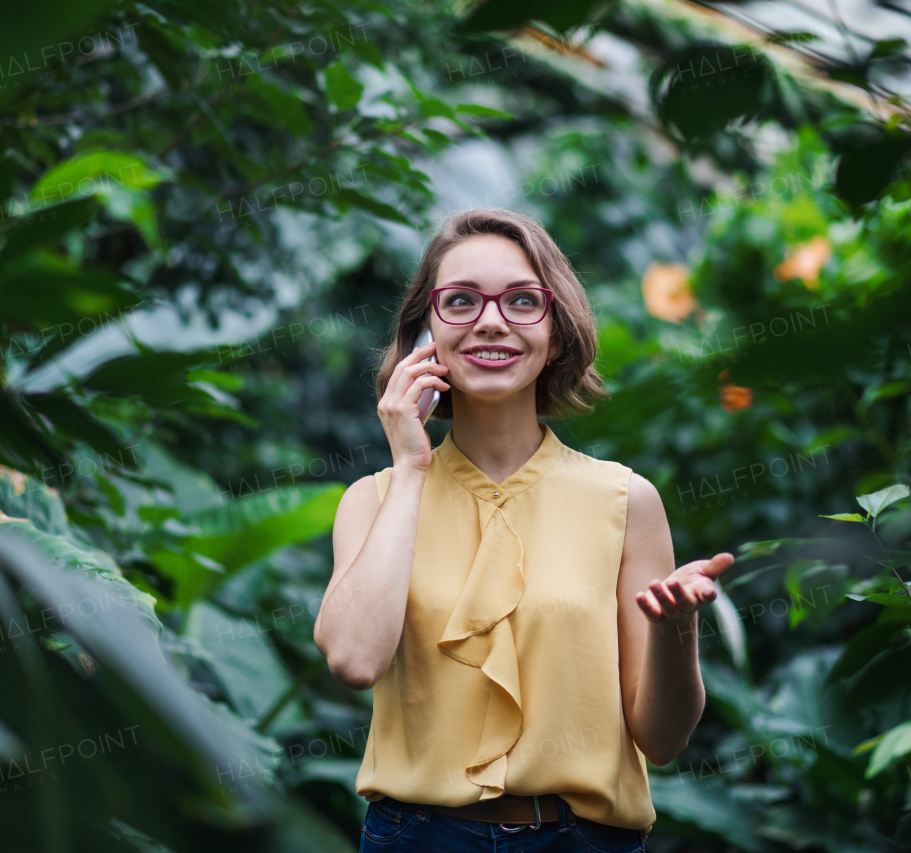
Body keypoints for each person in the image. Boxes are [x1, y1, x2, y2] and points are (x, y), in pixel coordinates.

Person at [313, 208, 733, 852]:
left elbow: (664, 739)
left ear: (558, 333)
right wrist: (411, 467)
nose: (490, 320)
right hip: (418, 838)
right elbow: (352, 658)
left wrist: (677, 628)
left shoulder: (625, 500)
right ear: (425, 336)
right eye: (460, 301)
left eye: (521, 301)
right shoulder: (375, 499)